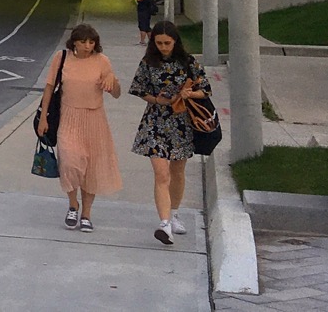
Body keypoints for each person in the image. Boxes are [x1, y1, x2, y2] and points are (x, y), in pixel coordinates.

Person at [129, 21, 211, 245]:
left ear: (176, 42)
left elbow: (205, 89)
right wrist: (156, 99)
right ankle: (164, 223)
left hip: (181, 123)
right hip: (155, 122)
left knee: (178, 171)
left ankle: (174, 213)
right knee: (161, 173)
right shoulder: (148, 62)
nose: (164, 47)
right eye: (159, 43)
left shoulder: (188, 62)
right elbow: (138, 88)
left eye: (168, 43)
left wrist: (188, 95)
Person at [37, 24, 123, 233]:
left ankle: (86, 214)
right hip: (68, 116)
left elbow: (116, 93)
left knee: (91, 169)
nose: (87, 46)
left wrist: (113, 81)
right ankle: (73, 204)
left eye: (91, 42)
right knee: (69, 162)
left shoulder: (102, 61)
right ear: (74, 42)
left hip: (94, 118)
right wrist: (43, 117)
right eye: (83, 41)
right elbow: (50, 87)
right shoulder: (62, 58)